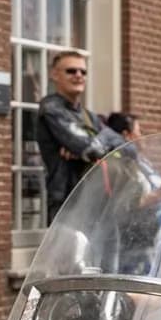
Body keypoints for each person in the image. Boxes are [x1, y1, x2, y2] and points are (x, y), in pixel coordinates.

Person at [36, 51, 124, 221]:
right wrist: (99, 143)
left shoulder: (88, 116)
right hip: (68, 203)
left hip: (99, 201)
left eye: (83, 72)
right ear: (55, 75)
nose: (78, 75)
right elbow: (89, 149)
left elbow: (127, 146)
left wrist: (95, 143)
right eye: (71, 71)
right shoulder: (51, 109)